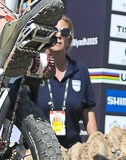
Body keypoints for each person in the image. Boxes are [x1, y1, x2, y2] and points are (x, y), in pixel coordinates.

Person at [34, 16, 99, 147]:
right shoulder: (34, 68)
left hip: (72, 153)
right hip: (38, 152)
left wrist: (96, 144)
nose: (58, 35)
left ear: (69, 40)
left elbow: (88, 112)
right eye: (54, 30)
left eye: (64, 32)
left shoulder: (80, 71)